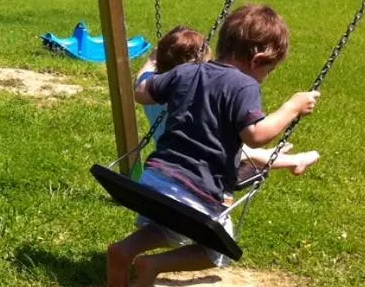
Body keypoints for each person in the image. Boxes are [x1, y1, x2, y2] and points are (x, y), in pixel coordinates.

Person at [107, 5, 319, 287]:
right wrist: (292, 107)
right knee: (220, 248)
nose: (266, 78)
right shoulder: (244, 85)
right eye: (268, 71)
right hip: (198, 190)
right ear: (258, 58)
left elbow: (141, 92)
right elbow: (255, 136)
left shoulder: (185, 71)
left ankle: (124, 250)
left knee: (167, 226)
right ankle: (154, 264)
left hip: (154, 179)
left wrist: (150, 65)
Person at [136, 26, 321, 177]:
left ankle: (278, 157)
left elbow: (140, 85)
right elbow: (255, 134)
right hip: (200, 165)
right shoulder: (196, 87)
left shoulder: (161, 85)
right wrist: (292, 107)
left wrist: (151, 60)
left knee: (245, 151)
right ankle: (292, 160)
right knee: (242, 152)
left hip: (160, 169)